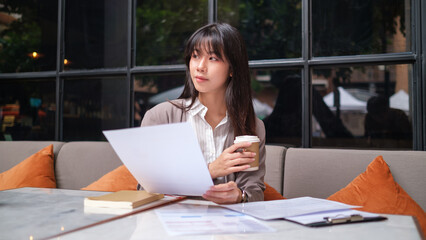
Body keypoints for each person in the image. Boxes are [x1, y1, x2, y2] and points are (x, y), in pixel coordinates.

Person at [140, 23, 266, 204]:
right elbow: (145, 189)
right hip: (171, 227)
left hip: (228, 228)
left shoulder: (252, 126)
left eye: (213, 58)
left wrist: (240, 196)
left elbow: (254, 190)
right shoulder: (161, 117)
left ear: (232, 69)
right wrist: (210, 170)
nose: (200, 66)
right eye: (195, 56)